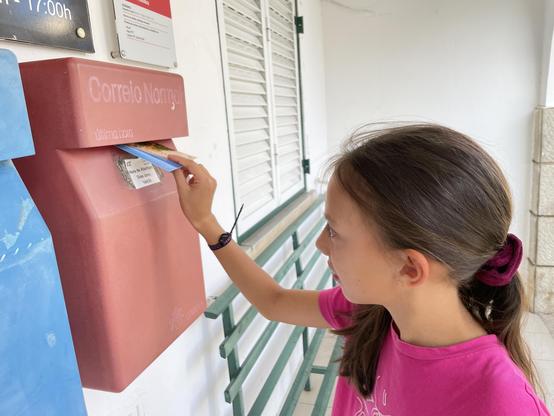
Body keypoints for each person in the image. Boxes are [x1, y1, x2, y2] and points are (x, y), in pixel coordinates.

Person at [168, 124, 551, 415]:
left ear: (409, 268)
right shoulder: (373, 314)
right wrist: (205, 222)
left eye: (334, 231)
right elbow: (275, 301)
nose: (321, 244)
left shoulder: (499, 401)